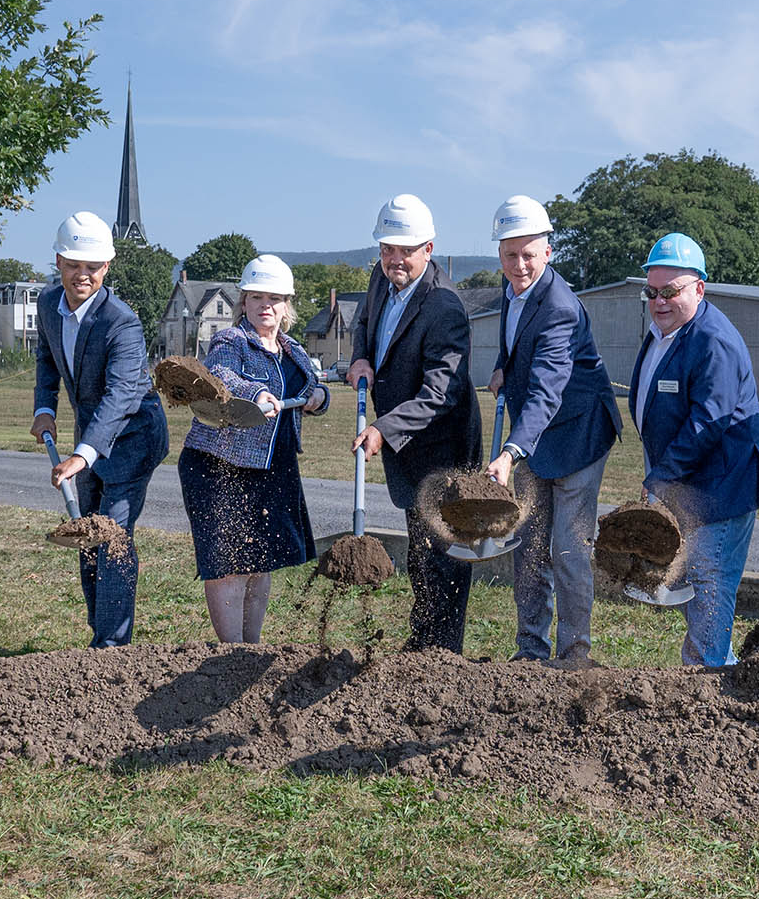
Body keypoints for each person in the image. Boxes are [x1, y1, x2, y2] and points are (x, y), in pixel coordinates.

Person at [483, 195, 620, 666]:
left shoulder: (560, 306)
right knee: (527, 544)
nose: (519, 264)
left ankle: (574, 655)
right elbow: (519, 340)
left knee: (567, 546)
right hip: (536, 434)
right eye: (509, 254)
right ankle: (530, 650)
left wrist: (510, 451)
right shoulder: (511, 290)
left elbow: (547, 389)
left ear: (548, 251)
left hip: (576, 434)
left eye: (528, 253)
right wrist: (504, 366)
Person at [627, 233, 759, 666]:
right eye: (652, 292)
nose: (660, 301)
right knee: (703, 594)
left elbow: (706, 423)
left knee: (710, 594)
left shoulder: (714, 341)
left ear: (699, 288)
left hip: (722, 490)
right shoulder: (662, 332)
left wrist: (660, 479)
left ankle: (709, 693)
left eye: (671, 291)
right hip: (693, 487)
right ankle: (718, 675)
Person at [347, 194, 481, 653]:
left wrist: (384, 428)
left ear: (429, 248)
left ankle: (442, 655)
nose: (395, 259)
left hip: (442, 447)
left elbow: (441, 393)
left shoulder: (445, 308)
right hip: (408, 444)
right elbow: (364, 322)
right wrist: (360, 357)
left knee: (442, 553)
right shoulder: (381, 278)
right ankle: (424, 643)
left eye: (406, 250)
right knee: (420, 550)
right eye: (388, 248)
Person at [29, 211, 170, 647]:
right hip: (90, 435)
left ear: (106, 267)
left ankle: (111, 648)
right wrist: (43, 407)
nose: (82, 275)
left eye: (92, 267)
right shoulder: (48, 306)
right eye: (74, 264)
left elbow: (124, 393)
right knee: (87, 532)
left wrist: (82, 455)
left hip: (133, 436)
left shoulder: (120, 321)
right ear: (58, 261)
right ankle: (101, 634)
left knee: (111, 534)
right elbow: (47, 360)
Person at [178, 255, 331, 642]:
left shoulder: (293, 350)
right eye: (257, 297)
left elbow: (314, 385)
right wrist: (256, 392)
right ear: (243, 303)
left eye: (275, 298)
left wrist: (318, 396)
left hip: (273, 467)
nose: (266, 305)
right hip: (220, 466)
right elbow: (222, 375)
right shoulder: (232, 341)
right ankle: (231, 653)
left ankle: (252, 648)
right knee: (228, 564)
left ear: (286, 306)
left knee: (260, 563)